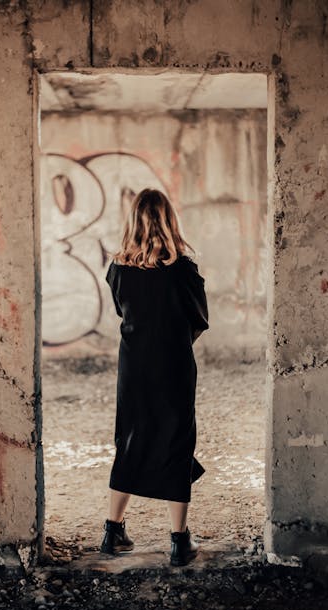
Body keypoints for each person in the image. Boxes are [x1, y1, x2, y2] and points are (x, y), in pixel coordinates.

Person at [100, 188, 209, 566]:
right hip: (174, 365)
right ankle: (180, 542)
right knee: (177, 442)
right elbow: (200, 318)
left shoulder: (117, 269)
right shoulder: (184, 270)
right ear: (169, 221)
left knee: (130, 439)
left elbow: (121, 312)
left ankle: (112, 533)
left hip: (133, 366)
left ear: (133, 222)